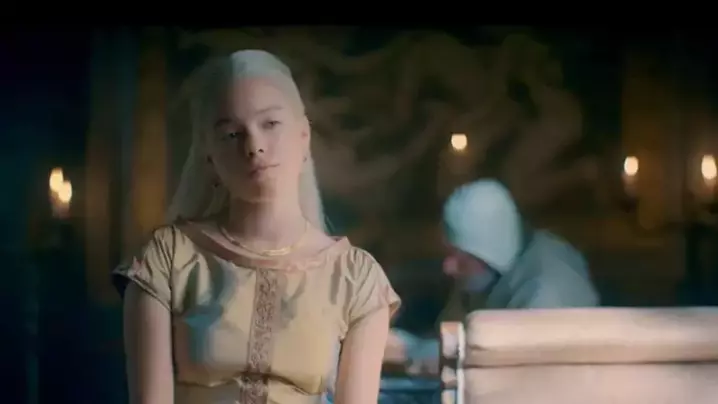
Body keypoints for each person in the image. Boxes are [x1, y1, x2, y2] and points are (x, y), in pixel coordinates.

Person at [112, 50, 400, 404]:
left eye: (270, 124)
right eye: (232, 134)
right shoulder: (167, 260)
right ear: (208, 155)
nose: (254, 146)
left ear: (304, 136)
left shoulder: (357, 279)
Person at [392, 179, 598, 375]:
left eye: (459, 258)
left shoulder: (545, 294)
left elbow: (495, 365)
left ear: (489, 256)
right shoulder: (483, 276)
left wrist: (409, 351)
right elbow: (452, 333)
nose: (448, 267)